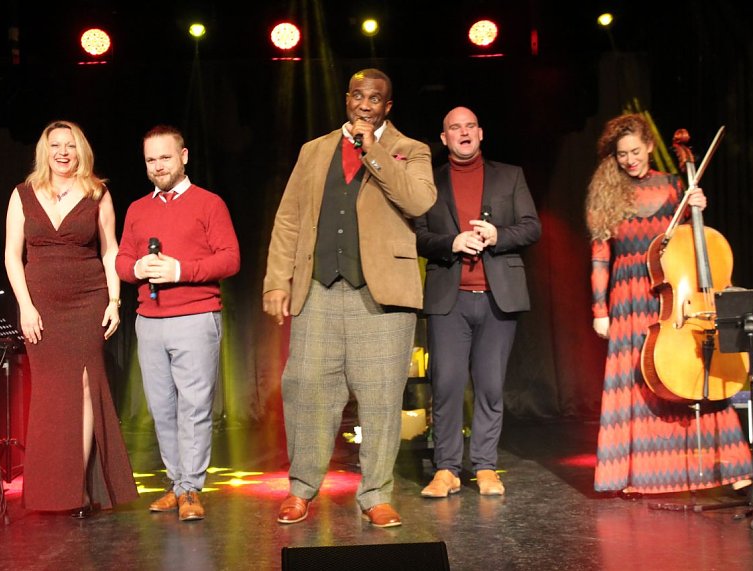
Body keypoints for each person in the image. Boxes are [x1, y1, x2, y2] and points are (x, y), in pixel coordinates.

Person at [262, 68, 437, 527]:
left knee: (380, 397)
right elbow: (288, 218)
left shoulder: (410, 149)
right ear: (347, 99)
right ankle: (301, 489)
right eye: (358, 95)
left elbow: (419, 202)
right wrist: (277, 280)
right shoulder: (314, 150)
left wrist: (372, 148)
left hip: (381, 296)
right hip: (319, 288)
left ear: (387, 106)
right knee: (306, 389)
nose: (365, 104)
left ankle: (376, 493)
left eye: (375, 98)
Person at [585, 113, 752, 494]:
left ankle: (728, 466)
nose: (629, 160)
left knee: (692, 373)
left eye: (635, 151)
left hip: (672, 296)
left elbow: (692, 245)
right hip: (628, 298)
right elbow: (600, 257)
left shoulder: (676, 186)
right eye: (622, 154)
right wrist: (599, 309)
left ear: (649, 146)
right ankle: (636, 474)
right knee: (634, 383)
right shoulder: (605, 194)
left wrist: (696, 206)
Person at [4, 120, 138, 517]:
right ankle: (51, 490)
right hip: (41, 305)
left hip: (87, 301)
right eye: (56, 145)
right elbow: (12, 255)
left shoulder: (97, 193)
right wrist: (25, 306)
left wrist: (114, 300)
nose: (63, 152)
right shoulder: (22, 194)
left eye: (70, 145)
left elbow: (110, 251)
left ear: (82, 151)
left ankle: (75, 489)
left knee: (85, 386)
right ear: (44, 151)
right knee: (49, 393)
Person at [414, 107, 541, 498]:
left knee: (489, 386)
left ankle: (485, 466)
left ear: (481, 133)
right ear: (445, 138)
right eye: (455, 127)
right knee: (447, 384)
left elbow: (531, 227)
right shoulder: (430, 181)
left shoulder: (510, 175)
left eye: (470, 126)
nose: (464, 132)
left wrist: (499, 235)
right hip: (449, 300)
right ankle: (447, 469)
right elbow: (417, 235)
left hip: (496, 297)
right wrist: (451, 242)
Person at [116, 125, 240, 521]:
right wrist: (136, 268)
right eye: (151, 160)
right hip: (150, 321)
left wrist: (180, 270)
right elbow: (121, 260)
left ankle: (190, 490)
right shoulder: (137, 209)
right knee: (162, 409)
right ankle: (177, 483)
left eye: (165, 157)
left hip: (195, 317)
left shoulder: (209, 203)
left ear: (183, 156)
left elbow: (230, 259)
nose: (158, 166)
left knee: (194, 409)